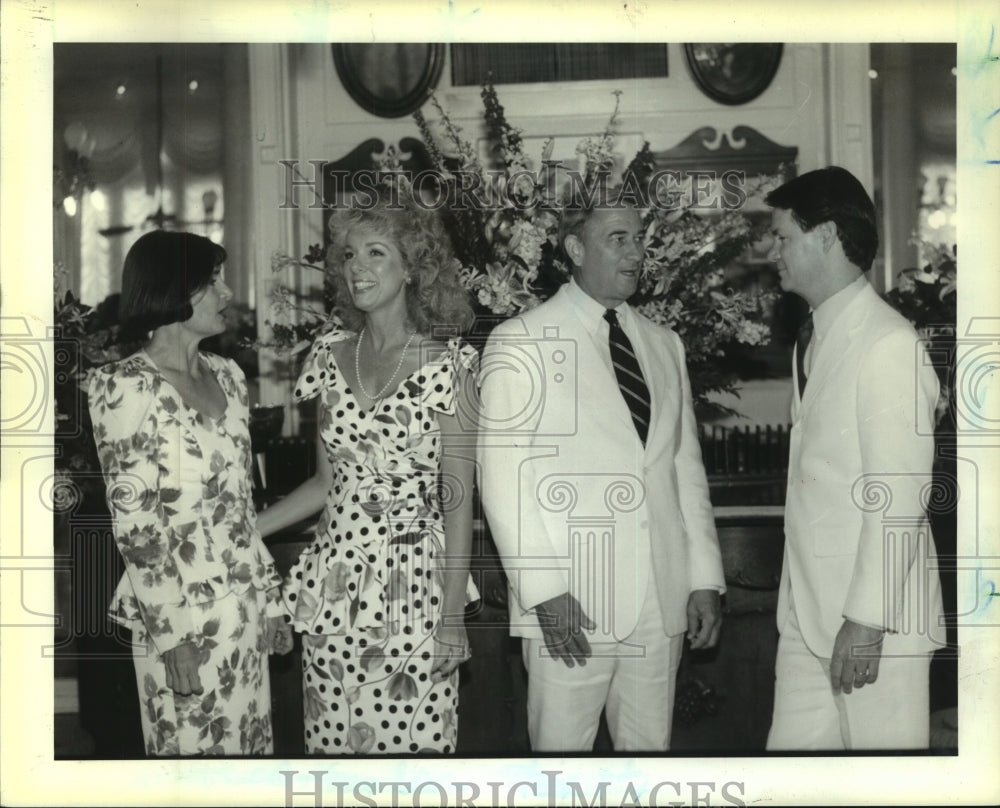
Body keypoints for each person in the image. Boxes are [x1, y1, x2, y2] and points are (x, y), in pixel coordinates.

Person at [477, 188, 726, 752]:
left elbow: (685, 471)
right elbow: (502, 479)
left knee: (649, 763)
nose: (636, 252)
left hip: (660, 601)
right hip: (572, 602)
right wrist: (544, 591)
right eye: (618, 239)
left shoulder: (665, 345)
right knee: (561, 768)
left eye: (640, 238)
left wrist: (704, 579)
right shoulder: (521, 340)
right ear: (574, 248)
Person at [256, 188, 479, 755]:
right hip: (334, 592)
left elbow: (458, 502)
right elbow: (325, 485)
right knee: (333, 760)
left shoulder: (453, 365)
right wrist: (243, 530)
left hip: (417, 593)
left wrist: (452, 616)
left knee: (416, 763)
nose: (358, 267)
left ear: (412, 269)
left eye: (376, 253)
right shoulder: (329, 357)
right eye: (350, 255)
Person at [88, 230, 292, 756]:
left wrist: (269, 599)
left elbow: (241, 507)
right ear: (174, 291)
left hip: (241, 607)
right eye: (213, 282)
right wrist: (173, 637)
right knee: (193, 768)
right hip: (178, 619)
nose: (227, 294)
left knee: (250, 760)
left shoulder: (228, 376)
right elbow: (136, 526)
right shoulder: (123, 386)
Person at [764, 166, 945, 750]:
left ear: (826, 237)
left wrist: (867, 621)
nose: (774, 252)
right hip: (808, 619)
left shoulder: (888, 344)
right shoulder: (815, 336)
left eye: (784, 237)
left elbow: (901, 499)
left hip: (875, 628)